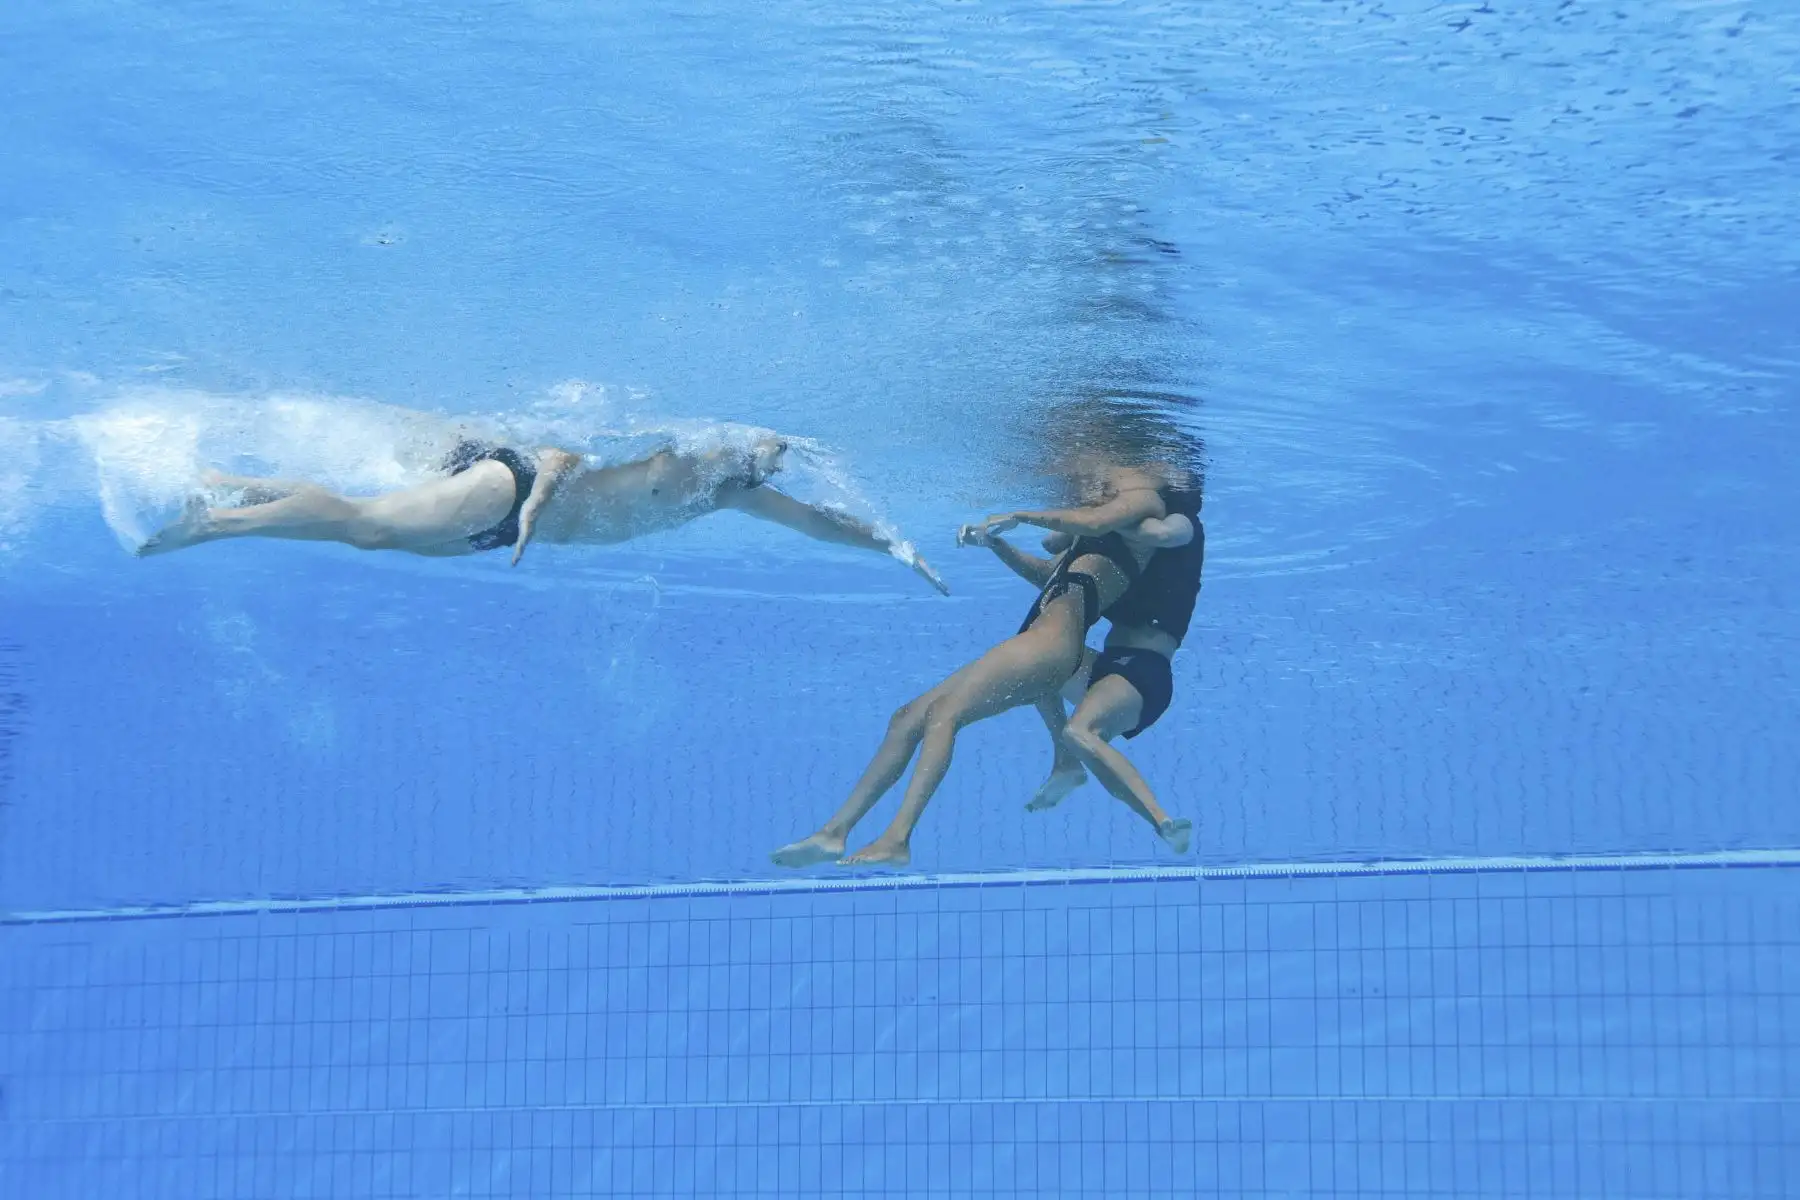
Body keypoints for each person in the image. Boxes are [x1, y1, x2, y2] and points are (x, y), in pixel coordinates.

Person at [770, 460, 1187, 868]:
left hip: (1051, 648)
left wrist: (1021, 515)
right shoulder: (1090, 538)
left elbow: (1090, 523)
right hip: (1037, 642)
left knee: (945, 715)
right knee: (907, 717)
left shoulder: (1141, 501)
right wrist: (996, 544)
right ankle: (834, 832)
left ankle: (897, 838)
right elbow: (1051, 574)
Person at [136, 434, 948, 593]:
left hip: (501, 535)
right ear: (730, 444)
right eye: (758, 456)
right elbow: (562, 453)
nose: (764, 470)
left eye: (768, 466)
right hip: (511, 490)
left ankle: (223, 483)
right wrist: (528, 520)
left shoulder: (729, 494)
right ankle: (215, 523)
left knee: (372, 535)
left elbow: (822, 524)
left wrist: (899, 551)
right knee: (372, 524)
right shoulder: (676, 449)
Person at [997, 485, 1204, 851]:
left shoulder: (1181, 522)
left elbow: (1159, 534)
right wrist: (995, 544)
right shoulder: (1109, 535)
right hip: (1106, 666)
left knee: (1081, 732)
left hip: (1144, 672)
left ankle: (1162, 820)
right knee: (1036, 660)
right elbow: (1051, 565)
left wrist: (1101, 520)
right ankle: (1066, 765)